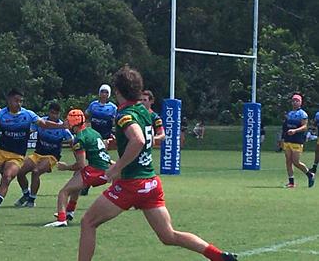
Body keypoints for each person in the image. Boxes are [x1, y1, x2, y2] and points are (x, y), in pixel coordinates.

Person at [77, 66, 238, 261]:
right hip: (151, 183)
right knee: (168, 235)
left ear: (117, 91)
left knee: (88, 222)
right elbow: (141, 139)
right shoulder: (145, 112)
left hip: (131, 184)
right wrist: (117, 144)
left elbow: (138, 140)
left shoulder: (125, 114)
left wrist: (116, 167)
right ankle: (218, 256)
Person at [0, 88, 67, 218]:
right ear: (9, 100)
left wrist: (61, 126)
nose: (19, 103)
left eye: (21, 101)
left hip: (17, 155)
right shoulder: (1, 114)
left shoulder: (28, 114)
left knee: (7, 177)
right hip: (0, 152)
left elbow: (43, 123)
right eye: (16, 100)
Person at [44, 109, 112, 228]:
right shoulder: (93, 132)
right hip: (106, 170)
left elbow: (81, 164)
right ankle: (69, 212)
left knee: (63, 192)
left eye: (69, 122)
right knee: (76, 180)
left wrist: (65, 167)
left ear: (73, 123)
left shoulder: (79, 138)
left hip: (95, 171)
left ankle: (61, 220)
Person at [14, 102, 73, 208]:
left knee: (36, 172)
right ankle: (26, 194)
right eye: (51, 113)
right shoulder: (41, 122)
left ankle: (32, 199)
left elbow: (72, 142)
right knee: (19, 171)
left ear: (59, 114)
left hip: (51, 157)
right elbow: (29, 130)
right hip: (37, 154)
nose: (53, 115)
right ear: (48, 112)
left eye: (56, 113)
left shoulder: (63, 128)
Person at [82, 84, 116, 195]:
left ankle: (111, 182)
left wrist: (114, 133)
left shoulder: (112, 107)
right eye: (102, 91)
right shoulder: (93, 105)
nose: (104, 94)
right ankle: (86, 184)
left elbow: (117, 121)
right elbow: (85, 116)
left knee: (100, 161)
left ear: (109, 94)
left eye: (106, 92)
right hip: (93, 138)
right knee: (92, 161)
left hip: (105, 138)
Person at [280, 94, 314, 188]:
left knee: (296, 162)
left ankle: (309, 174)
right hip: (288, 140)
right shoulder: (289, 114)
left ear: (300, 102)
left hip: (297, 140)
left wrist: (295, 131)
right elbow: (285, 127)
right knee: (288, 161)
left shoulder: (303, 114)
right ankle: (291, 182)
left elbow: (304, 127)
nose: (295, 102)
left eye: (297, 101)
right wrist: (282, 138)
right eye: (293, 101)